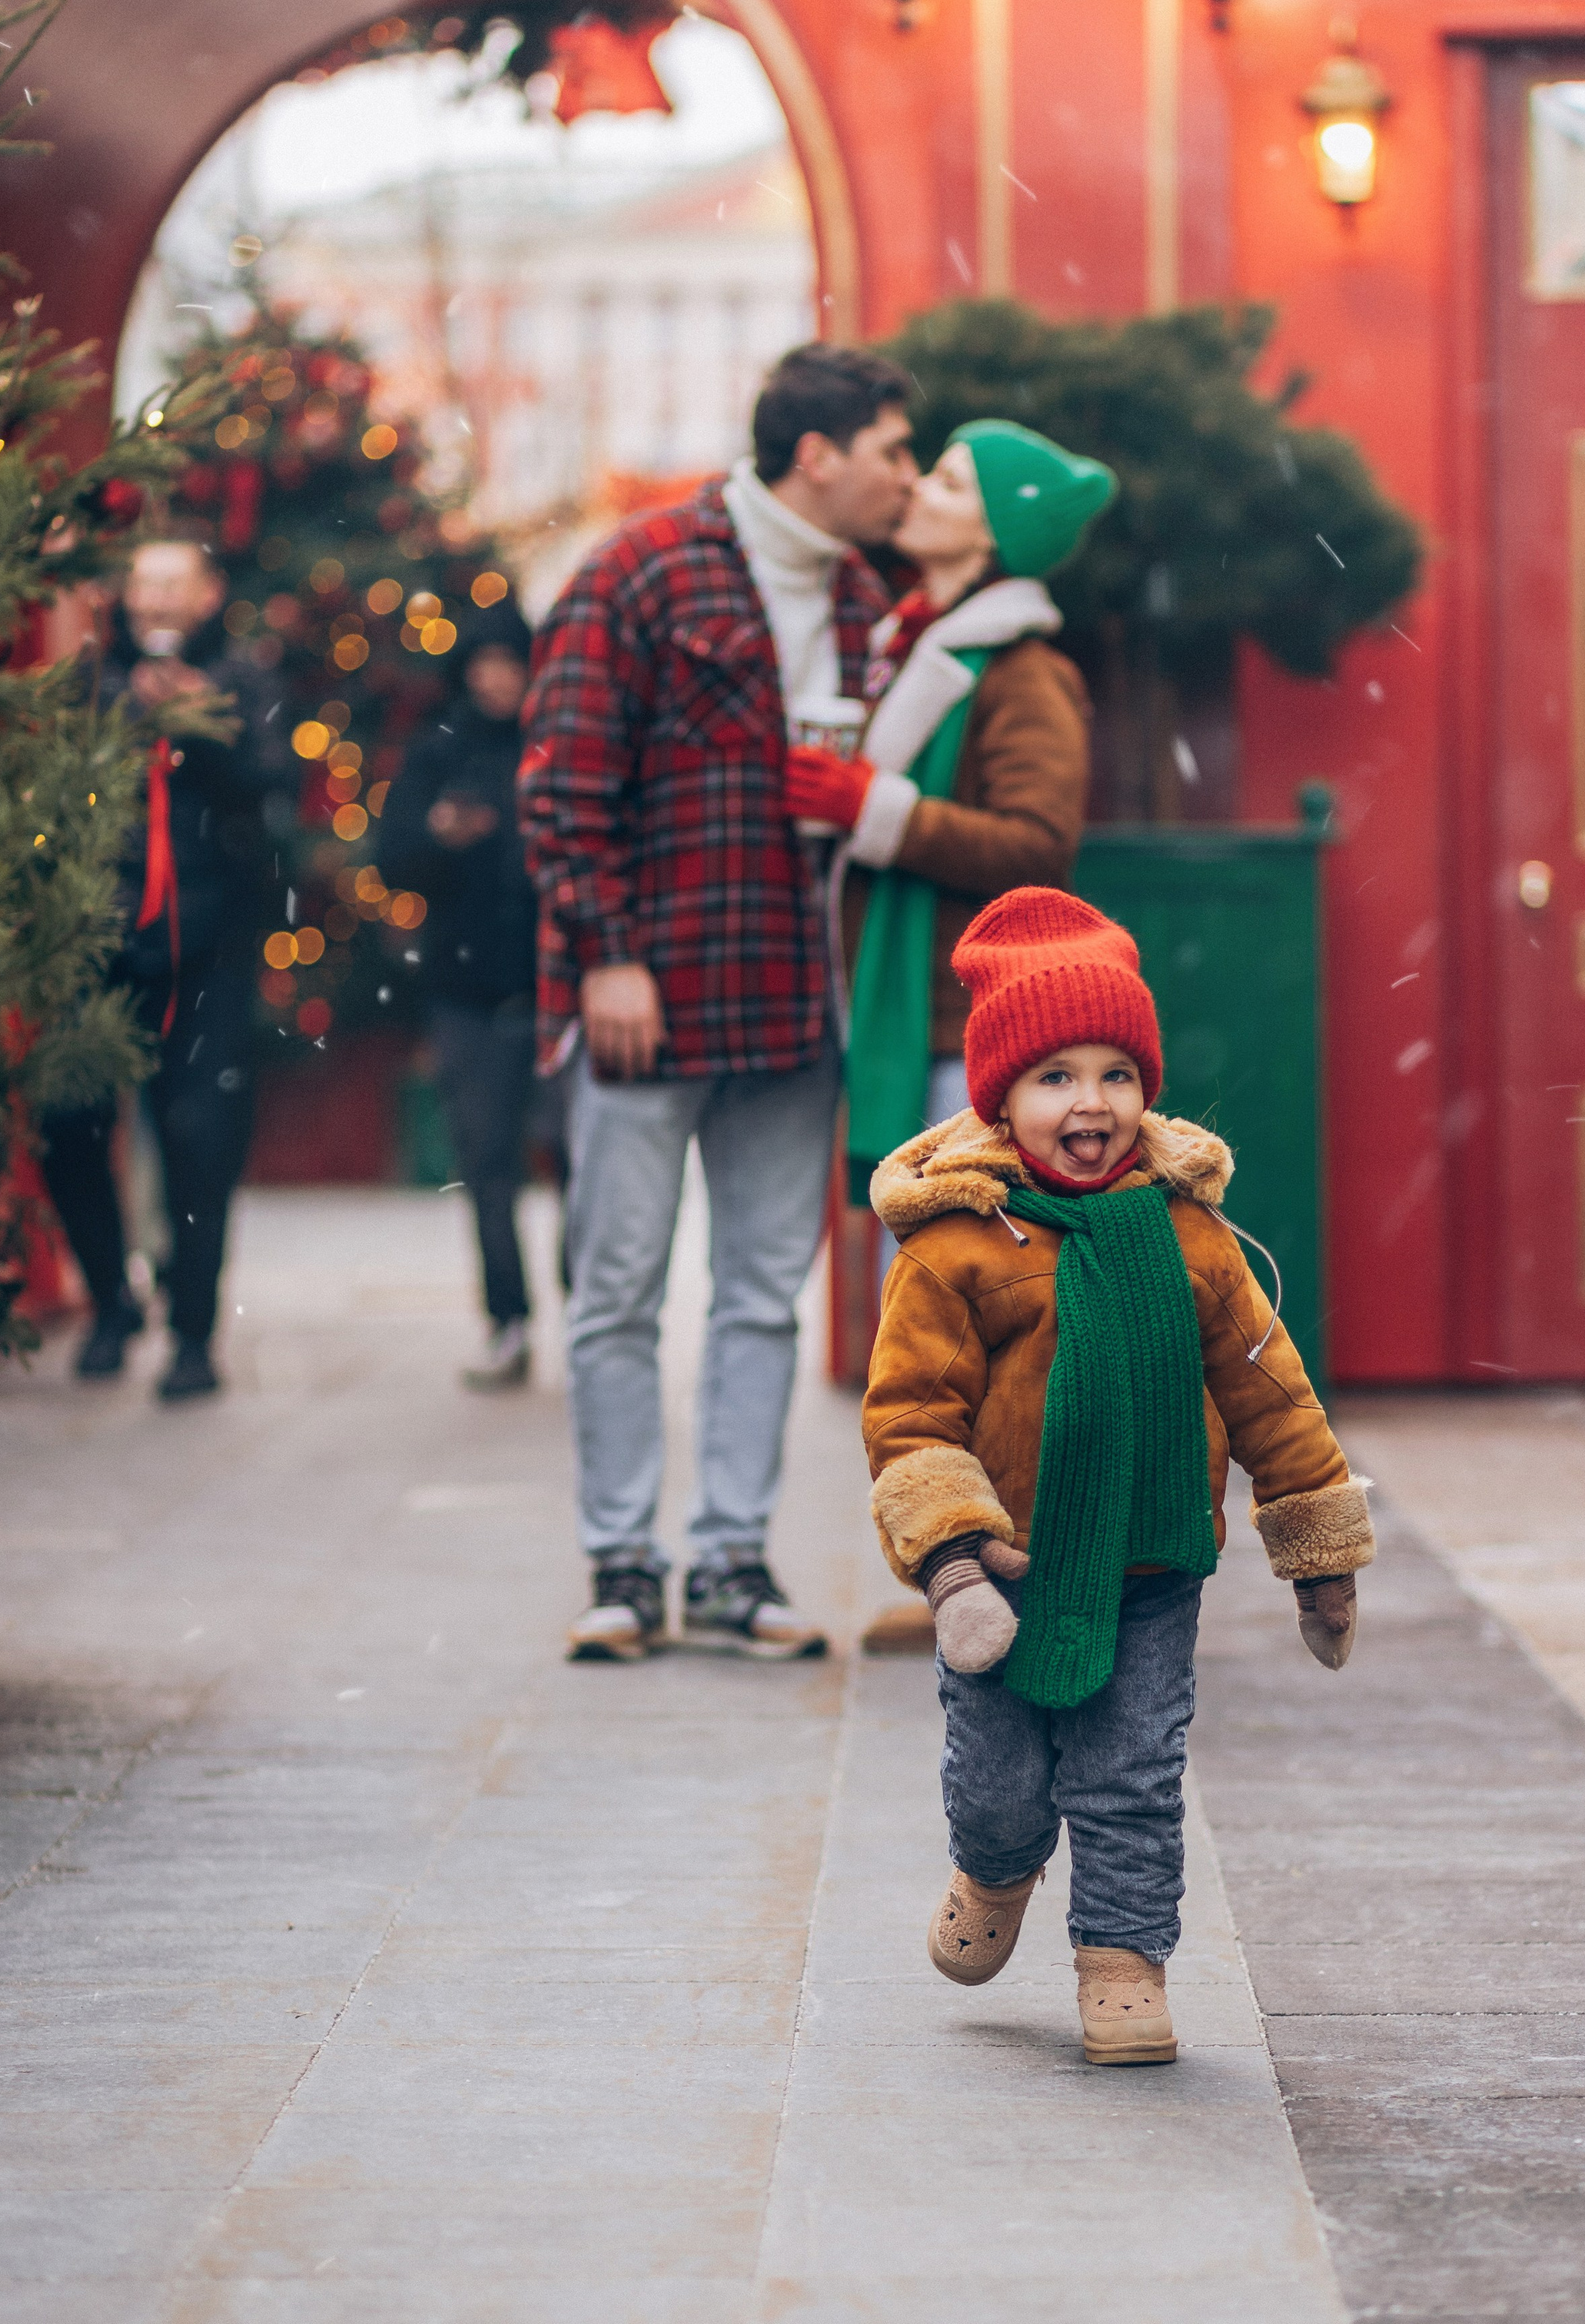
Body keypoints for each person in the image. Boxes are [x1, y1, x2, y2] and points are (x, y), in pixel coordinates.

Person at [861, 887, 1374, 2065]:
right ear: (999, 1099)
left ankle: (1123, 1961)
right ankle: (994, 1870)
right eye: (1054, 1078)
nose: (1089, 1104)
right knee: (997, 1777)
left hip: (1152, 1568)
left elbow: (1268, 1390)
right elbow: (910, 1415)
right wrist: (948, 1561)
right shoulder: (958, 1247)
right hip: (1002, 1569)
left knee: (1132, 1777)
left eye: (1115, 1074)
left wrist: (1319, 1547)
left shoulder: (1191, 1236)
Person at [520, 340, 917, 1664]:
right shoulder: (641, 569)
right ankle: (622, 1561)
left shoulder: (868, 601)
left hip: (797, 1004)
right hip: (649, 994)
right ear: (819, 453)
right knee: (618, 1286)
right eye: (893, 451)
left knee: (761, 1291)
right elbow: (563, 781)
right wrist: (606, 951)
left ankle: (730, 1561)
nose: (906, 477)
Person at [781, 418, 1113, 1197]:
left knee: (945, 1268)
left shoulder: (1022, 671)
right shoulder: (903, 644)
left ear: (991, 537)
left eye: (949, 482)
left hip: (954, 1033)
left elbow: (1037, 847)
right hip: (900, 1012)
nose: (917, 486)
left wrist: (874, 808)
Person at [39, 537, 290, 1403]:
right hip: (97, 943)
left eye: (174, 585)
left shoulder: (244, 680)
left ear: (210, 593)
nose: (157, 602)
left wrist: (202, 725)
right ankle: (112, 1300)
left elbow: (269, 787)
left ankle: (193, 1331)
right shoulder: (87, 683)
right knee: (66, 1123)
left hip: (207, 952)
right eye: (144, 585)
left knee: (199, 1139)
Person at [378, 599, 544, 1390]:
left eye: (510, 665)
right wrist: (441, 836)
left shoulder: (557, 743)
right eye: (484, 666)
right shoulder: (437, 748)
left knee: (584, 1153)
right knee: (487, 1161)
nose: (498, 680)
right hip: (466, 987)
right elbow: (393, 855)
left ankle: (588, 1293)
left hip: (555, 984)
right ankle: (506, 1315)